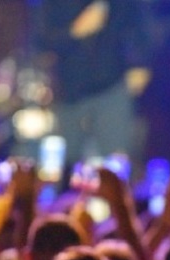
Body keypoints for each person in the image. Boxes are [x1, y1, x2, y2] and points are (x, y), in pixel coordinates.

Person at [39, 0, 148, 167]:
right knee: (65, 164)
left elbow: (135, 23)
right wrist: (74, 31)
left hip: (112, 86)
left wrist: (139, 63)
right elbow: (41, 40)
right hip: (70, 93)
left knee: (116, 163)